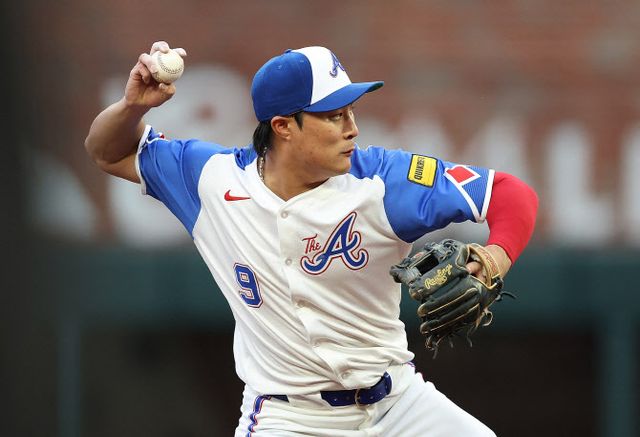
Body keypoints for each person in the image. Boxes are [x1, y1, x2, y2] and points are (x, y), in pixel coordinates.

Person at [85, 41, 538, 436]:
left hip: (398, 405)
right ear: (283, 126)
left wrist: (495, 259)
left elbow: (511, 193)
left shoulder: (382, 180)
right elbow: (107, 151)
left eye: (351, 111)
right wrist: (133, 107)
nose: (352, 128)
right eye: (334, 115)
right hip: (289, 418)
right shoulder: (210, 179)